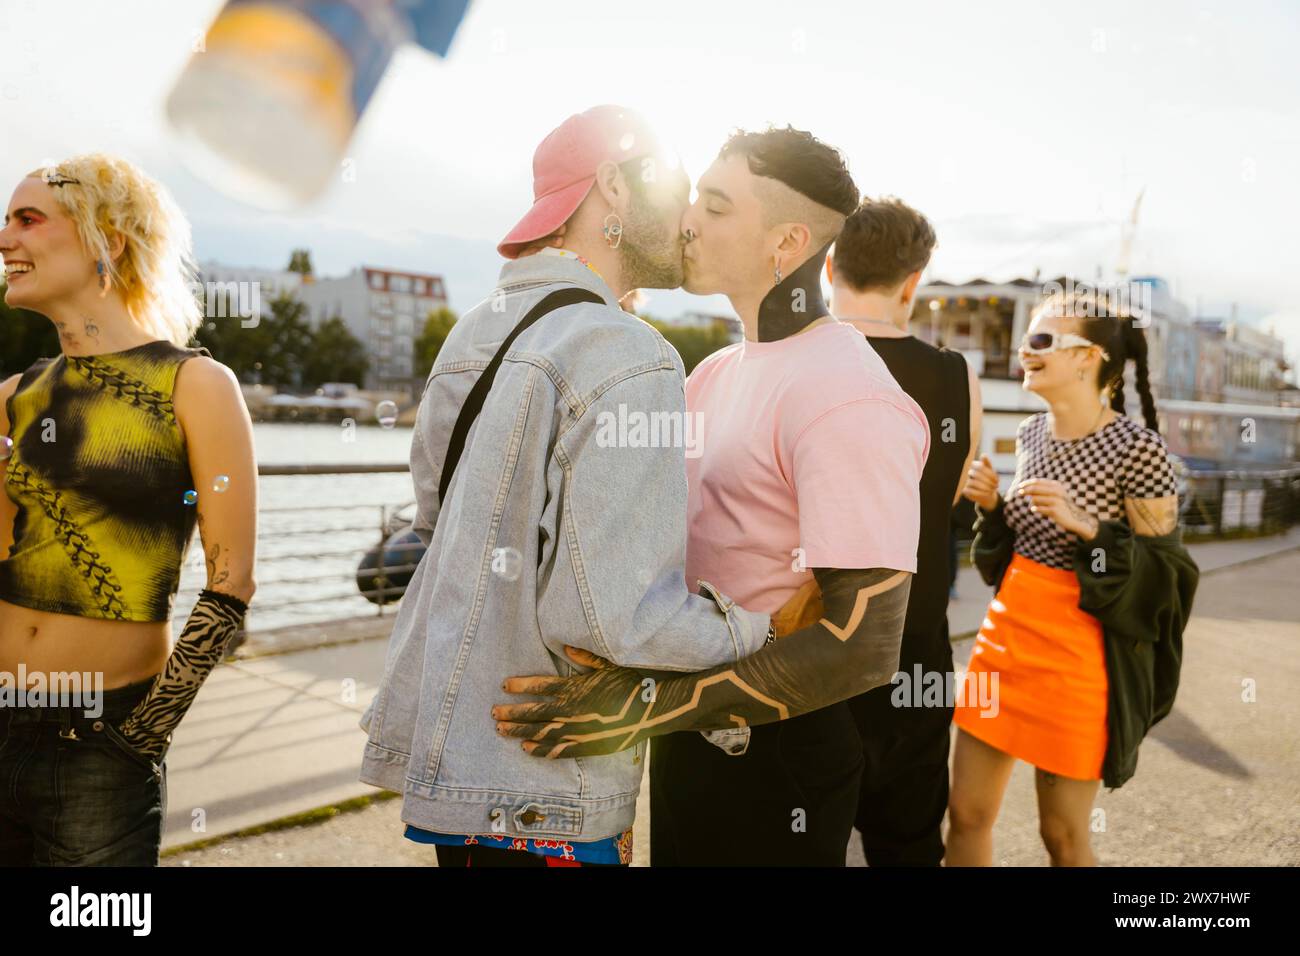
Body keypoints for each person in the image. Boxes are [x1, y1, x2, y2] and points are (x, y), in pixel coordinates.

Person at [357, 106, 815, 868]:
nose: (691, 218)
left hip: (467, 766)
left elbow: (443, 524)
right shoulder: (629, 353)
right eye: (675, 188)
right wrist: (764, 630)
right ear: (613, 186)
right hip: (550, 785)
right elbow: (619, 620)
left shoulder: (475, 332)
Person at [494, 127, 930, 866]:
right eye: (695, 196)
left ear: (786, 243)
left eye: (718, 206)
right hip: (687, 736)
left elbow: (864, 648)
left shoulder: (850, 396)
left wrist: (638, 709)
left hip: (777, 759)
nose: (687, 219)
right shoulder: (712, 374)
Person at [0, 155, 257, 865]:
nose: (4, 238)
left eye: (28, 219)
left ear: (107, 239)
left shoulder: (195, 385)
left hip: (101, 747)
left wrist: (140, 740)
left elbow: (230, 585)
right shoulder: (12, 396)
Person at [946, 289, 1199, 866]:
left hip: (1078, 659)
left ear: (1088, 357)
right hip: (1004, 642)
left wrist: (1089, 527)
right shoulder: (1032, 434)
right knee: (964, 816)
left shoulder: (1140, 450)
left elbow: (1168, 578)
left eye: (1040, 340)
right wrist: (992, 509)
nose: (1023, 352)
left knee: (1061, 836)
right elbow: (1011, 557)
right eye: (1024, 341)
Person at [829, 196, 981, 865]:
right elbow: (946, 505)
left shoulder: (786, 362)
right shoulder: (955, 377)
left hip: (811, 647)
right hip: (912, 646)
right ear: (914, 282)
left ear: (829, 266)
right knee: (910, 844)